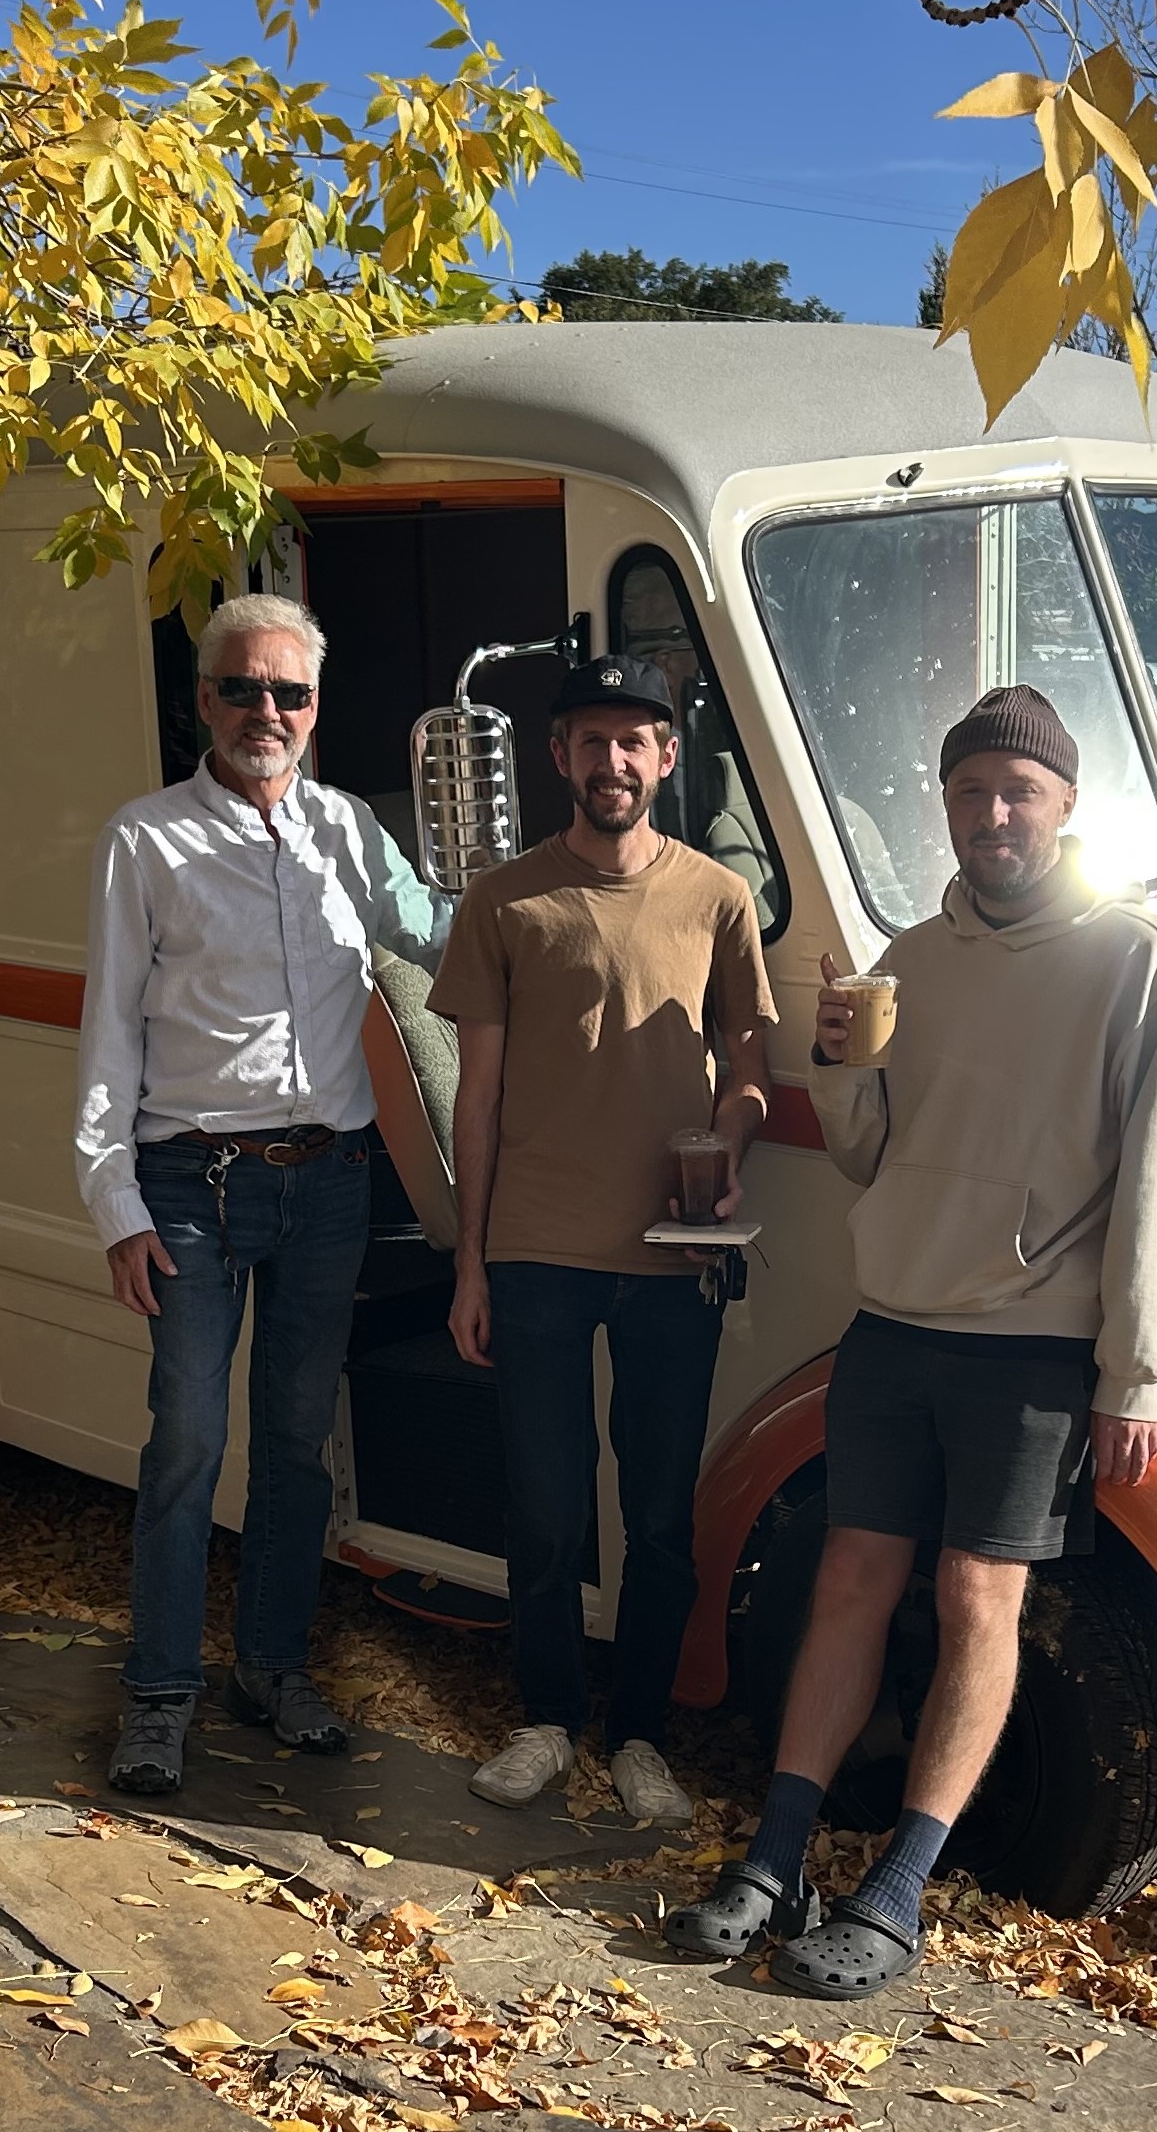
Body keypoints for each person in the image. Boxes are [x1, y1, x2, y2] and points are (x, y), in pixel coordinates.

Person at [666, 684, 1157, 1996]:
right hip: (894, 1329)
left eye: (1017, 790)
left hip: (1030, 1347)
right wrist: (841, 1059)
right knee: (852, 1582)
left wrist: (1133, 1369)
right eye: (969, 792)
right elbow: (867, 1152)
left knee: (979, 1600)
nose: (992, 813)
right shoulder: (905, 958)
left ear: (1067, 807)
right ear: (947, 810)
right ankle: (781, 1852)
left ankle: (899, 1888)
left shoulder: (1133, 961)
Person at [76, 591, 446, 1796]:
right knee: (188, 1440)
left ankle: (273, 1667)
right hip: (192, 1183)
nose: (267, 712)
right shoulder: (146, 841)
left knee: (297, 1445)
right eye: (243, 688)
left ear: (317, 708)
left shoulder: (350, 833)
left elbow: (444, 934)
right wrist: (115, 1200)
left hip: (328, 1180)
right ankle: (159, 1692)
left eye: (290, 692)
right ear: (203, 701)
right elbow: (108, 1034)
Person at [428, 654, 777, 1829]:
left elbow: (752, 1068)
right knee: (545, 1504)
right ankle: (545, 1719)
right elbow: (473, 1098)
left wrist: (729, 1141)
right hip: (532, 1250)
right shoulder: (504, 901)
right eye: (592, 740)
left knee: (663, 1514)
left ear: (667, 757)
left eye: (637, 740)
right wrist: (468, 1261)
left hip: (674, 1255)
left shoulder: (719, 897)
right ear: (559, 756)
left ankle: (640, 1737)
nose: (614, 761)